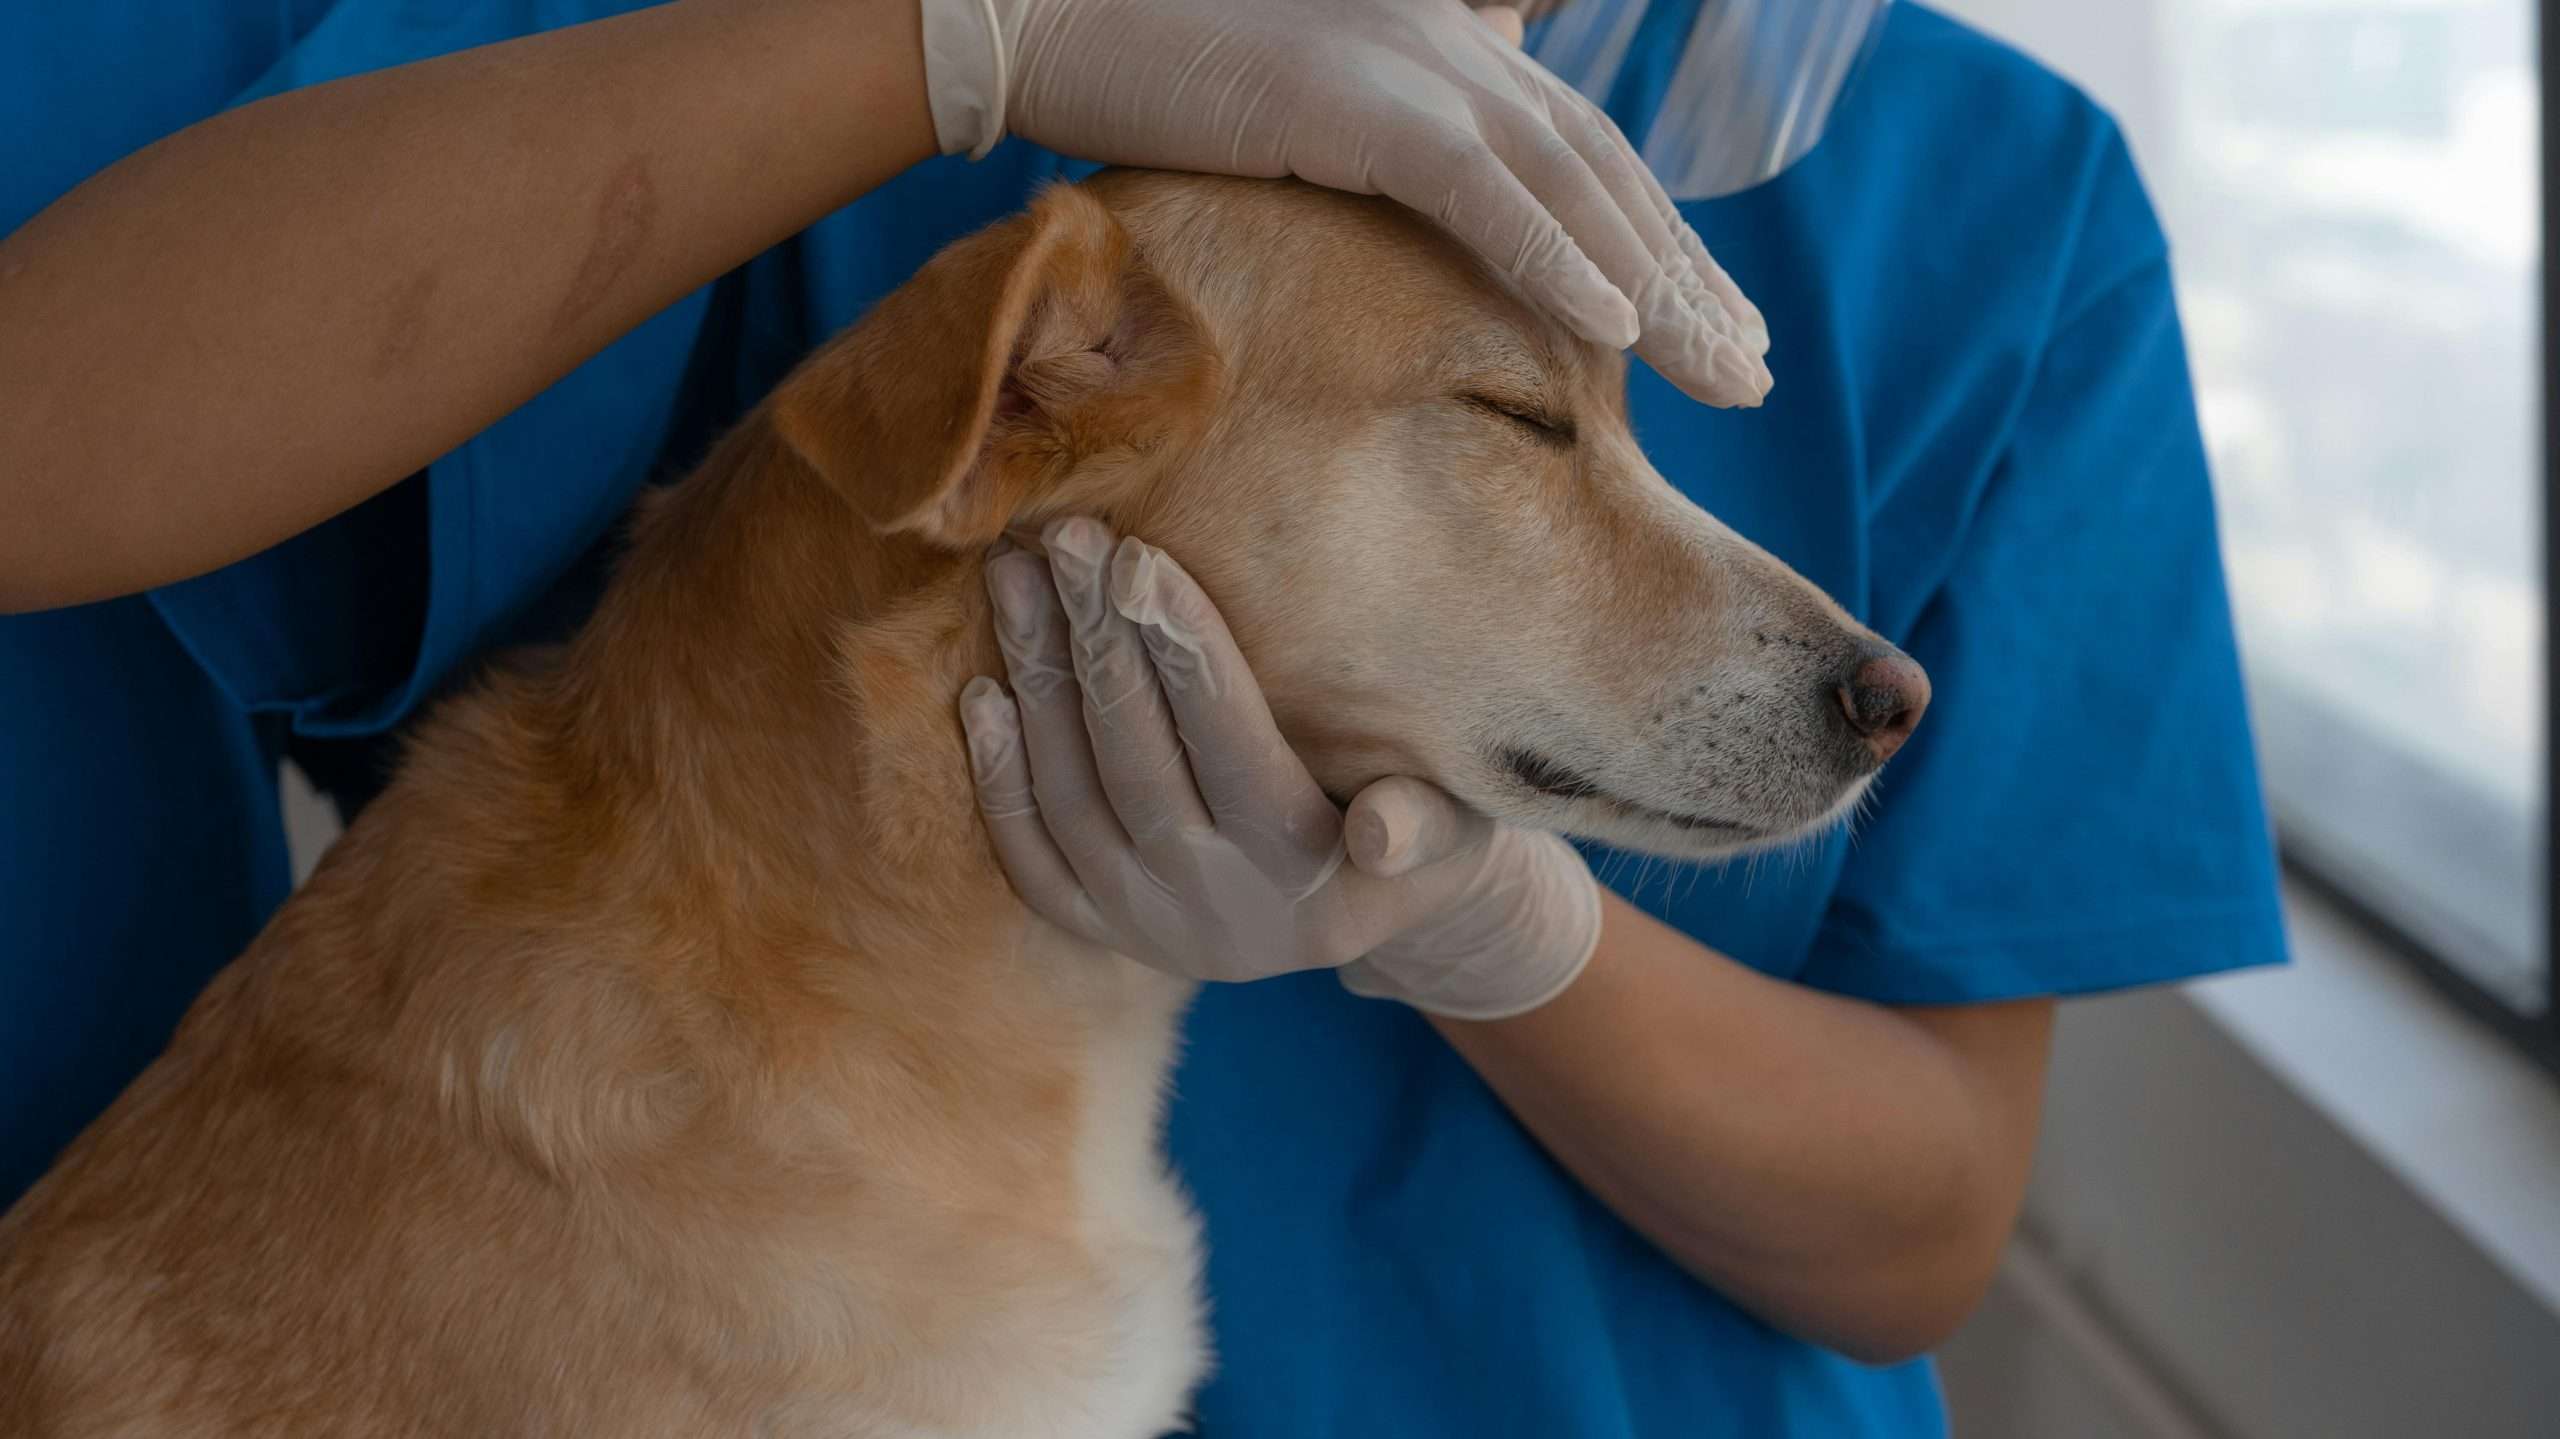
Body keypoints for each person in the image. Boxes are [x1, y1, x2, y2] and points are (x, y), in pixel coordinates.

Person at [0, 0, 2285, 1433]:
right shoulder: (808, 91)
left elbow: (1916, 1230)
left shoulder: (1990, 208)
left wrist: (1490, 938)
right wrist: (960, 35)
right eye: (1518, 428)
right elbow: (52, 434)